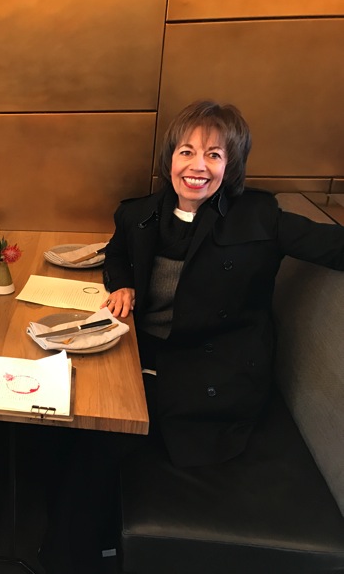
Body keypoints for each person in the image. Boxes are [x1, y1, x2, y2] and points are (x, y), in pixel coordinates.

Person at [39, 100, 344, 573]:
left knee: (99, 435)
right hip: (143, 351)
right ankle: (73, 540)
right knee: (64, 411)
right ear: (170, 159)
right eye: (187, 152)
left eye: (214, 155)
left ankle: (70, 558)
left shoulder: (261, 218)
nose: (197, 166)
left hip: (215, 371)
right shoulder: (140, 214)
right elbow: (116, 254)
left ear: (231, 165)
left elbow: (334, 246)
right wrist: (122, 284)